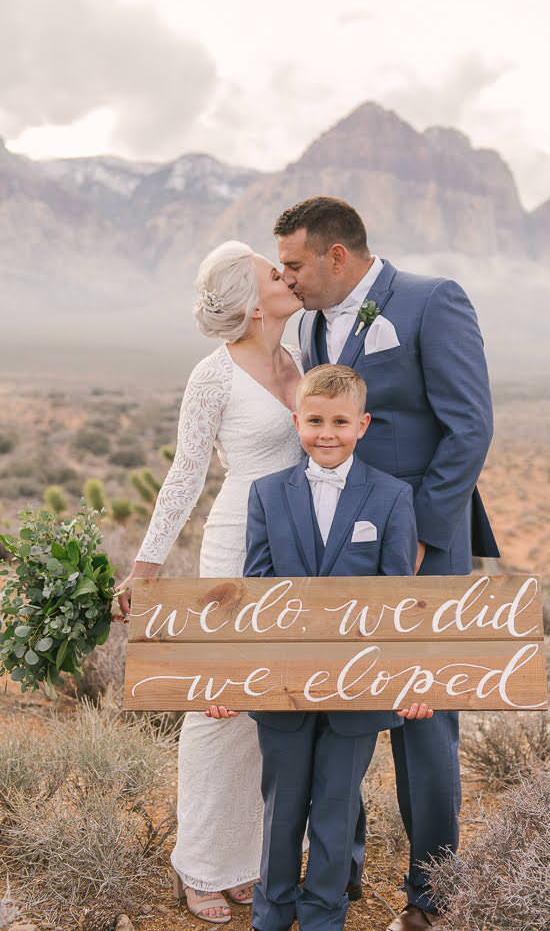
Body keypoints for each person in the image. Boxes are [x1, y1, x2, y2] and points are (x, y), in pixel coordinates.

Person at [273, 197, 499, 931]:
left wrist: (426, 535)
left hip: (422, 552)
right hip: (334, 548)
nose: (289, 281)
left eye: (296, 265)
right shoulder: (308, 324)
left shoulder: (434, 301)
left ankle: (432, 897)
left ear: (337, 257)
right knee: (338, 703)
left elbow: (469, 426)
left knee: (423, 721)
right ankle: (343, 872)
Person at [116, 240, 304, 924]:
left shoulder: (301, 360)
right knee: (216, 707)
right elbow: (185, 473)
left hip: (297, 552)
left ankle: (247, 862)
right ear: (253, 304)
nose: (285, 276)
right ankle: (197, 867)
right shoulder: (215, 375)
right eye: (271, 273)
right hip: (234, 548)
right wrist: (146, 566)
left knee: (272, 706)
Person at [243, 364, 419, 931]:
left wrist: (412, 681)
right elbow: (255, 594)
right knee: (282, 806)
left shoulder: (392, 496)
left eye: (340, 422)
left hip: (359, 687)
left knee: (337, 807)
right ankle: (271, 914)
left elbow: (399, 603)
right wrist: (230, 679)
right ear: (297, 421)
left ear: (362, 425)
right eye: (314, 420)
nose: (326, 433)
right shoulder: (267, 494)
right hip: (283, 683)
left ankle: (323, 915)